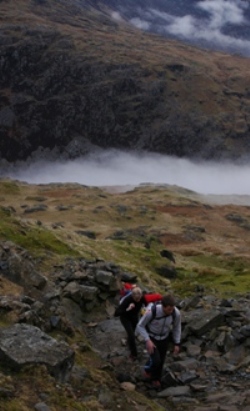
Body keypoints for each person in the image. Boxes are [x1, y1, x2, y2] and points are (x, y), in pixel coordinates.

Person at [135, 294, 181, 389]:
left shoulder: (176, 313)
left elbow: (177, 327)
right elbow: (140, 325)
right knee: (156, 360)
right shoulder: (152, 311)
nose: (170, 311)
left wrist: (177, 343)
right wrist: (147, 340)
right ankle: (147, 370)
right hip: (152, 337)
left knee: (161, 360)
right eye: (168, 309)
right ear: (163, 306)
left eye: (172, 309)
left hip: (164, 337)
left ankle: (156, 379)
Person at [114, 287, 162, 361]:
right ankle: (134, 354)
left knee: (133, 333)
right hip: (125, 318)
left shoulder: (142, 298)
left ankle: (129, 342)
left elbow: (146, 304)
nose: (138, 300)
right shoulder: (127, 300)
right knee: (132, 335)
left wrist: (146, 310)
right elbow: (116, 313)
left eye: (139, 299)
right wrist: (128, 309)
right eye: (136, 299)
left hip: (134, 317)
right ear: (132, 296)